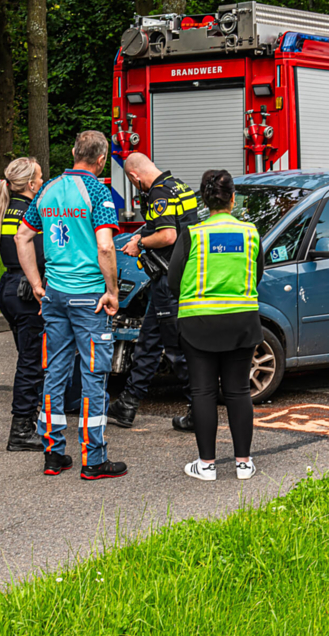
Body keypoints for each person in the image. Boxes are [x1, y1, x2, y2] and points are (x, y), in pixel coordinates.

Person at [15, 130, 127, 480]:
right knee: (93, 376)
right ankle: (94, 459)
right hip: (89, 297)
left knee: (56, 373)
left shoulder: (47, 189)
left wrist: (37, 284)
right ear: (101, 159)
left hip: (56, 296)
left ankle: (53, 454)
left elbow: (22, 235)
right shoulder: (96, 191)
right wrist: (112, 292)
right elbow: (106, 247)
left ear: (74, 152)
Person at [167, 169, 263, 482]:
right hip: (242, 321)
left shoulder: (193, 234)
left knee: (204, 392)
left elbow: (173, 280)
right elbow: (258, 272)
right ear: (233, 199)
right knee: (238, 392)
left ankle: (206, 465)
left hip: (198, 323)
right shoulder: (250, 233)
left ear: (205, 202)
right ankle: (244, 464)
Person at [110, 152, 200, 431]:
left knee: (176, 349)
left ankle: (198, 409)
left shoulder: (159, 193)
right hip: (177, 277)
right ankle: (128, 404)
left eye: (133, 183)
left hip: (169, 281)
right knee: (149, 342)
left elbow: (168, 235)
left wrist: (140, 243)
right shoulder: (181, 186)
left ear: (135, 177)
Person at [0, 157, 46, 450]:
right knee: (31, 363)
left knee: (29, 360)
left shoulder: (10, 208)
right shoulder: (31, 211)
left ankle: (31, 421)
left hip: (10, 289)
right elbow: (38, 255)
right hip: (27, 293)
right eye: (39, 178)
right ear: (29, 184)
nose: (42, 182)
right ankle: (22, 429)